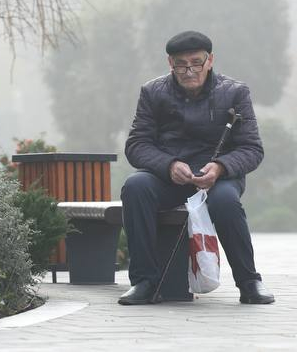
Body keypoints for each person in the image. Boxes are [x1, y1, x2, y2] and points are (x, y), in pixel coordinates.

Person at [117, 30, 275, 305]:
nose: (189, 71)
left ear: (210, 60)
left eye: (196, 63)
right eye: (181, 64)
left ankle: (249, 282)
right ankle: (144, 283)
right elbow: (137, 145)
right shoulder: (152, 92)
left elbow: (252, 149)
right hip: (169, 178)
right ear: (170, 63)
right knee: (135, 186)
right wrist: (169, 165)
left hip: (218, 178)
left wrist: (220, 166)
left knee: (225, 202)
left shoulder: (235, 92)